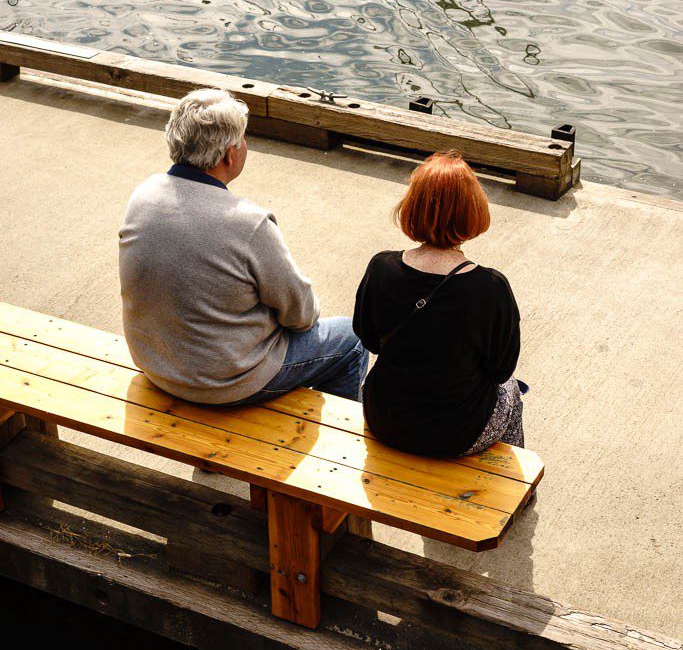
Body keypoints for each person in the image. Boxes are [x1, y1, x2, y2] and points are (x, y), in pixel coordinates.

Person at [119, 88, 368, 406]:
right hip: (224, 383)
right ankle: (336, 439)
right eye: (243, 139)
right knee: (352, 337)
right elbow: (302, 315)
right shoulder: (248, 223)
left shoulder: (143, 195)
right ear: (229, 155)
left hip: (157, 364)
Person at [352, 150, 523, 457]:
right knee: (511, 389)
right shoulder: (491, 288)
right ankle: (513, 485)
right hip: (456, 434)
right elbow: (500, 370)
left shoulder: (381, 268)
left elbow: (369, 340)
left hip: (385, 419)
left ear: (413, 207)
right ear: (473, 211)